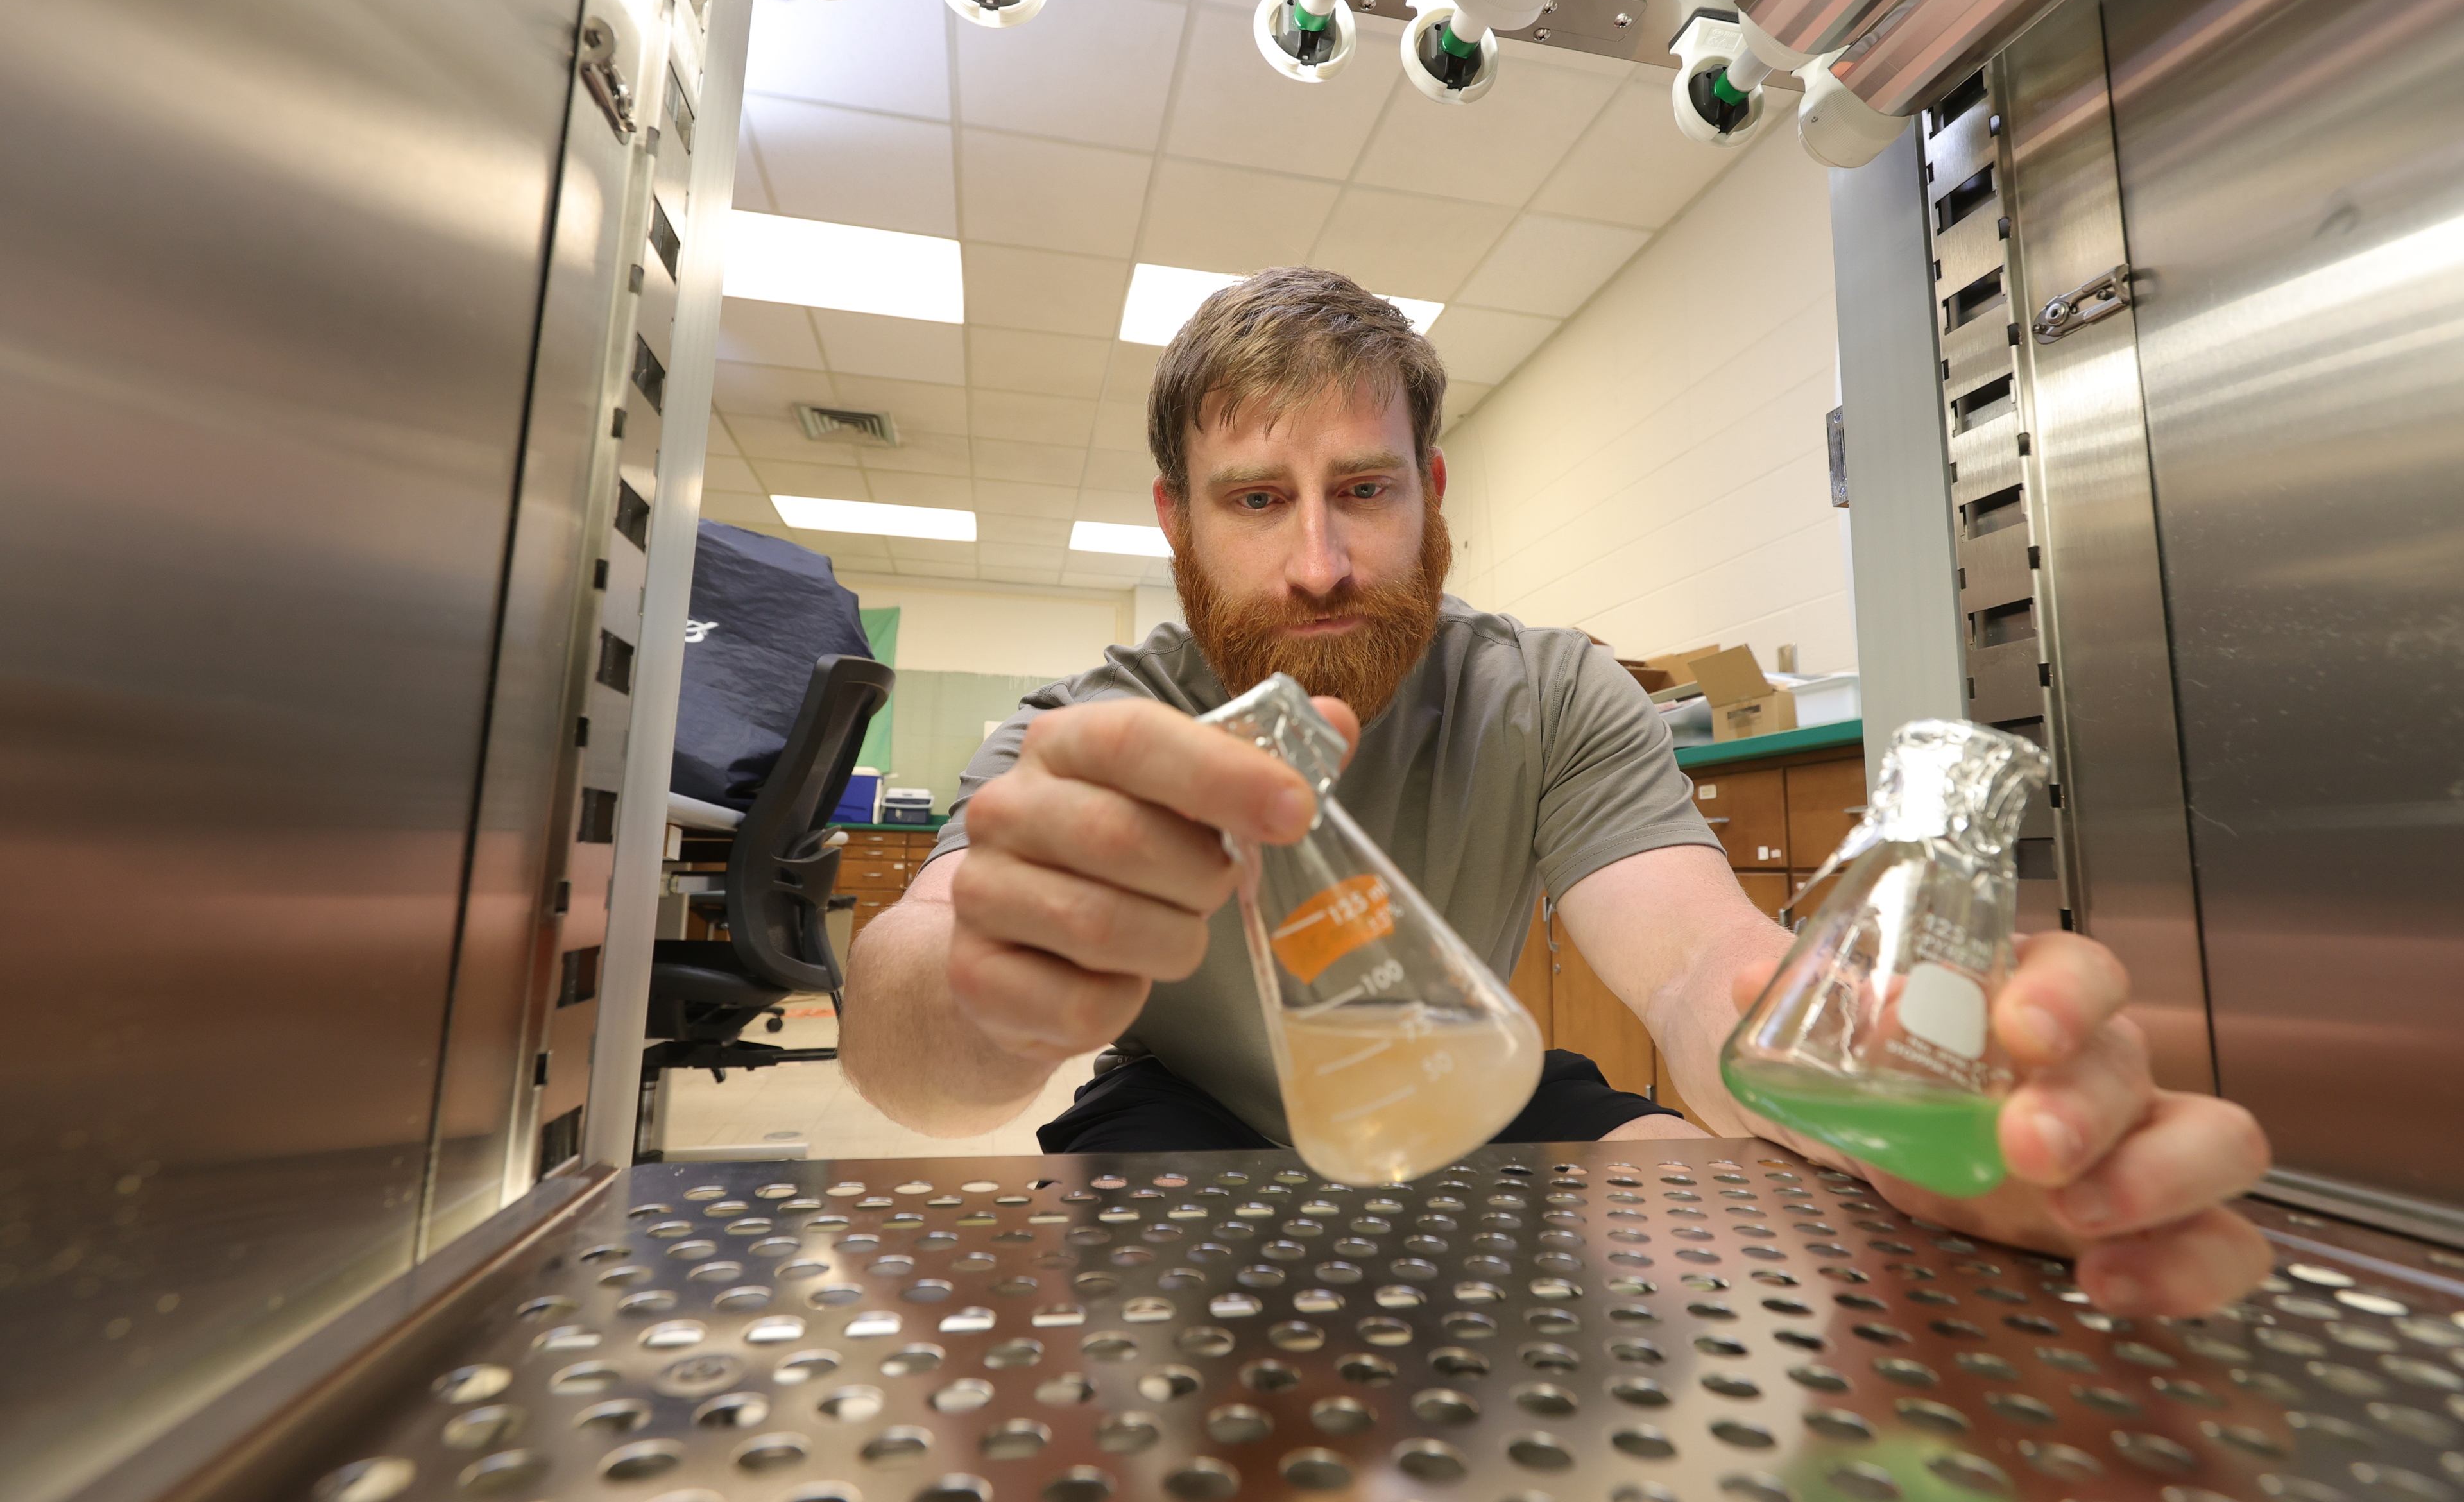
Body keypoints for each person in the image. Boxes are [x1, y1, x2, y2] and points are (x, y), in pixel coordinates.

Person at [844, 266, 2272, 1316]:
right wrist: (991, 986)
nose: (1324, 563)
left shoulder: (1552, 692)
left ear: (1433, 493)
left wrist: (1879, 1100)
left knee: (1708, 1195)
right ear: (1179, 517)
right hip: (1195, 1103)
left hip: (1475, 1081)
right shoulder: (1094, 724)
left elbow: (1709, 962)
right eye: (1258, 498)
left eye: (1364, 489)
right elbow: (905, 1012)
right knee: (1118, 1292)